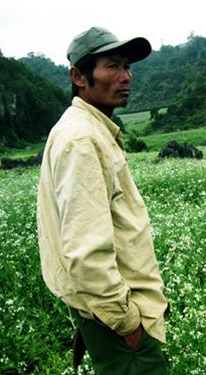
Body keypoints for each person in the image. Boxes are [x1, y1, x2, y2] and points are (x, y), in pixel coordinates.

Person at [36, 27, 169, 374]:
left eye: (127, 66)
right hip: (120, 323)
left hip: (114, 315)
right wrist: (128, 325)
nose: (126, 77)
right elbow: (86, 253)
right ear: (79, 76)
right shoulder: (81, 139)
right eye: (112, 66)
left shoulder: (89, 129)